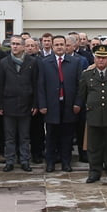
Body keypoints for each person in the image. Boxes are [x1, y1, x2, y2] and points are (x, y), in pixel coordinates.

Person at [78, 46, 107, 184]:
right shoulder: (87, 74)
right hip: (94, 114)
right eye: (98, 57)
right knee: (94, 146)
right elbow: (83, 94)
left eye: (104, 57)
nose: (101, 60)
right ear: (94, 58)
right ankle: (94, 172)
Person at [36, 36, 84, 172]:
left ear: (66, 46)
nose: (59, 47)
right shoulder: (44, 63)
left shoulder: (75, 62)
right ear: (52, 46)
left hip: (69, 105)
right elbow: (41, 85)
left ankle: (66, 162)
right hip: (51, 105)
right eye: (56, 44)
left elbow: (80, 85)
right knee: (51, 136)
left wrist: (78, 103)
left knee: (67, 136)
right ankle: (50, 163)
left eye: (61, 44)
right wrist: (42, 105)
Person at [0, 36, 39, 172]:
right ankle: (9, 161)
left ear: (23, 46)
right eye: (12, 44)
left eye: (17, 44)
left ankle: (24, 160)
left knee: (24, 136)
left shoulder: (32, 62)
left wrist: (35, 104)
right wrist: (0, 105)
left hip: (26, 104)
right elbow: (0, 85)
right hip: (8, 103)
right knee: (9, 136)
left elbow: (35, 84)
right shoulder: (4, 62)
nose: (14, 46)